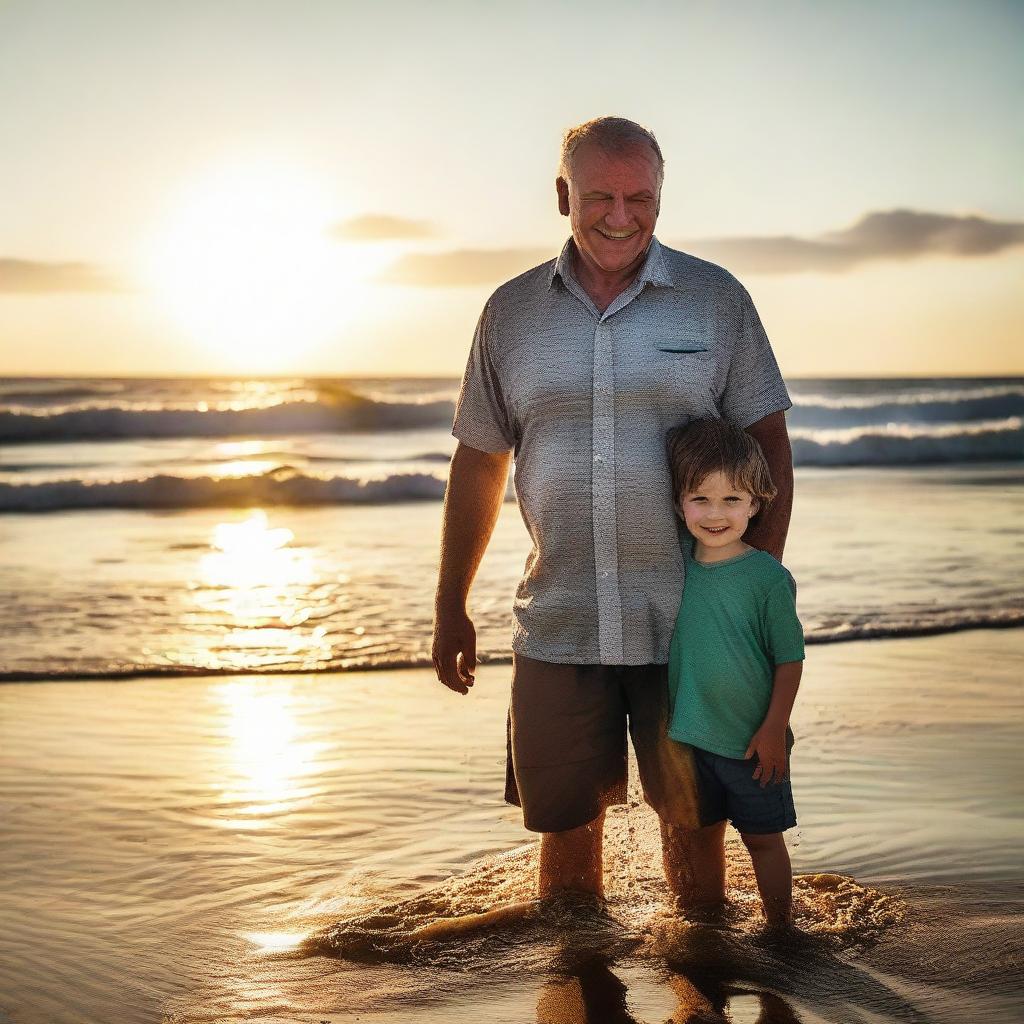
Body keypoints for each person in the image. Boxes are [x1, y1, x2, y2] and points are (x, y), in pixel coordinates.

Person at [432, 115, 794, 908]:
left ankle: (702, 975)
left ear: (661, 196)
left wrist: (754, 585)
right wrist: (450, 606)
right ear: (563, 195)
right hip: (559, 624)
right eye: (600, 196)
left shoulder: (715, 300)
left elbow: (768, 438)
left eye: (642, 197)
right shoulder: (510, 313)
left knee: (696, 827)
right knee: (564, 837)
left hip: (691, 621)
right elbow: (480, 458)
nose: (621, 216)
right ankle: (578, 981)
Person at [665, 418, 804, 929]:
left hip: (751, 742)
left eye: (732, 500)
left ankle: (781, 929)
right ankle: (709, 921)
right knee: (701, 833)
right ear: (680, 502)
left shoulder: (767, 577)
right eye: (700, 498)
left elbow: (790, 660)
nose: (716, 513)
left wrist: (773, 730)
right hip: (691, 738)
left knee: (763, 840)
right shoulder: (675, 563)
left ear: (756, 502)